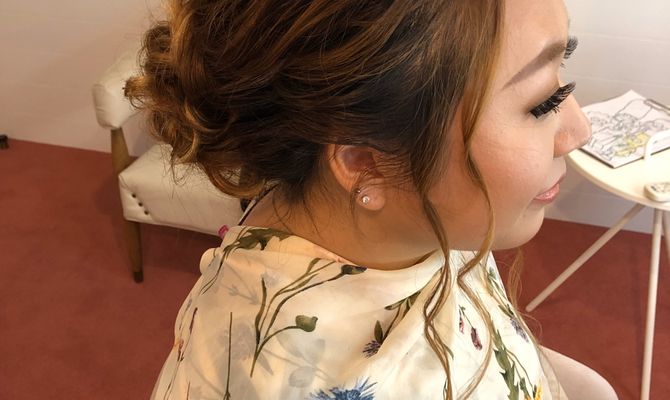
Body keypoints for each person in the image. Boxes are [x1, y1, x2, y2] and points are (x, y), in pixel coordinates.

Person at [126, 0, 618, 398]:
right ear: (366, 164)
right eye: (543, 104)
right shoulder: (294, 379)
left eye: (560, 82)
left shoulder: (421, 214)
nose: (579, 130)